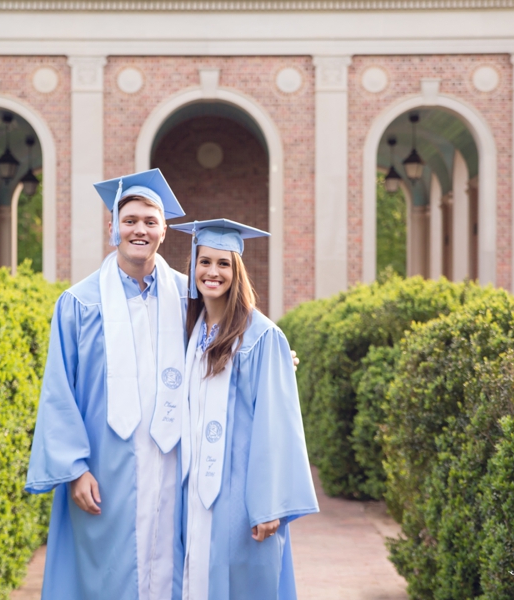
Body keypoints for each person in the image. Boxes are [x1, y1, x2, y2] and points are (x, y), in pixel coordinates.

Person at [25, 169, 189, 600]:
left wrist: (277, 361)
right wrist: (75, 468)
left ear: (164, 230)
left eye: (150, 222)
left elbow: (231, 347)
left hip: (176, 463)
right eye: (131, 219)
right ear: (113, 226)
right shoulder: (79, 303)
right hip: (105, 465)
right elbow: (59, 390)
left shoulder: (189, 298)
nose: (140, 229)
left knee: (174, 566)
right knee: (106, 575)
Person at [170, 219, 319, 600]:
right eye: (204, 262)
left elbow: (278, 427)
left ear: (237, 272)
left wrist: (269, 504)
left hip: (239, 494)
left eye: (223, 264)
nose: (212, 272)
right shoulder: (188, 330)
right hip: (192, 490)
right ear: (193, 266)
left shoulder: (263, 337)